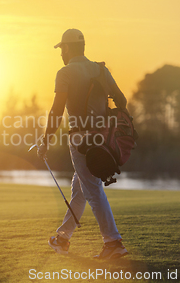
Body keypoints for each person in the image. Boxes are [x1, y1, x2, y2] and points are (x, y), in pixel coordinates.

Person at [37, 28, 129, 260]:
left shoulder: (65, 72)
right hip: (103, 139)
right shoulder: (100, 69)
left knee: (92, 189)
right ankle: (63, 239)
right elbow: (122, 100)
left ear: (67, 48)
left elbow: (57, 111)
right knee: (81, 188)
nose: (60, 54)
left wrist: (45, 140)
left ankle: (113, 242)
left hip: (80, 140)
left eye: (61, 49)